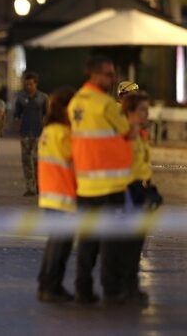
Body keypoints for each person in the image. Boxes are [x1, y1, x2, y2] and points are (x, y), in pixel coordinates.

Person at [68, 55, 132, 305]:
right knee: (111, 242)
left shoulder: (76, 102)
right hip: (110, 184)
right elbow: (128, 133)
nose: (112, 78)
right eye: (108, 74)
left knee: (87, 242)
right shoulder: (105, 104)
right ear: (93, 75)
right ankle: (112, 290)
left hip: (85, 184)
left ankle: (83, 289)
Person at [36, 86, 76, 303]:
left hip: (50, 195)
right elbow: (75, 161)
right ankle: (51, 287)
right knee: (61, 245)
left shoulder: (49, 131)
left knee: (56, 242)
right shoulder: (62, 133)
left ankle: (46, 284)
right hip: (63, 195)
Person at [122, 90, 159, 304]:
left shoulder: (140, 133)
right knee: (128, 244)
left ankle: (130, 287)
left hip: (140, 191)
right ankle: (123, 289)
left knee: (137, 245)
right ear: (131, 111)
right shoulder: (124, 134)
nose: (147, 114)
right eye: (143, 110)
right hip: (128, 192)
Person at [14, 72, 48, 197]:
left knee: (37, 161)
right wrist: (17, 126)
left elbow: (47, 115)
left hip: (39, 133)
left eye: (31, 84)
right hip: (25, 134)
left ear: (36, 84)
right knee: (26, 161)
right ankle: (30, 188)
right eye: (26, 84)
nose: (28, 86)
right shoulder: (21, 98)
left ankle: (40, 185)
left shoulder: (43, 97)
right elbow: (16, 115)